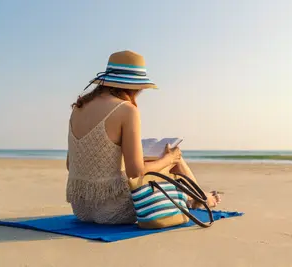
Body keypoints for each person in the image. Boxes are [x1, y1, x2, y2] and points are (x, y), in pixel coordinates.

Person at [66, 50, 221, 224]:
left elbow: (69, 164)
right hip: (114, 211)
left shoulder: (78, 108)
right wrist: (169, 159)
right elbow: (136, 172)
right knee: (173, 158)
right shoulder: (126, 110)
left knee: (157, 159)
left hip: (81, 209)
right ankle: (201, 198)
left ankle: (196, 197)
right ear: (135, 85)